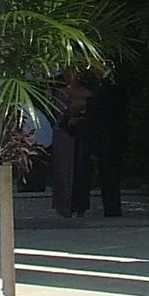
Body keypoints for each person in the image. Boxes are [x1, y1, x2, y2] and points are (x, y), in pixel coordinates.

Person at [86, 67, 129, 219]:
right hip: (110, 137)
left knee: (109, 174)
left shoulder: (110, 86)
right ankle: (111, 207)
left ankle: (112, 208)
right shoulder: (107, 85)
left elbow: (100, 109)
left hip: (108, 137)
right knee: (110, 174)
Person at [49, 69, 92, 219]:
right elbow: (59, 112)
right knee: (64, 170)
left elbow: (92, 112)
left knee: (81, 170)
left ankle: (80, 206)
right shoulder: (62, 93)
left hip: (82, 135)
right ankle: (64, 206)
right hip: (65, 134)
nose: (77, 77)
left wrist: (81, 116)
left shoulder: (88, 93)